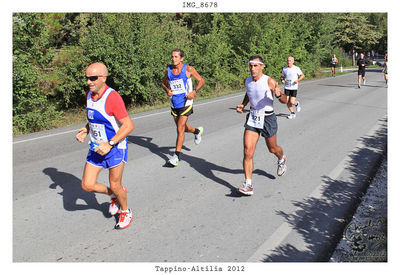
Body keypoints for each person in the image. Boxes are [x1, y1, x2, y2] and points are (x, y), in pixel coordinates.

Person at [75, 62, 135, 229]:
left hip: (115, 147)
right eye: (87, 78)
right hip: (96, 147)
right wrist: (86, 130)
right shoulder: (89, 94)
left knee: (115, 184)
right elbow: (96, 118)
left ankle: (125, 211)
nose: (89, 82)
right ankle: (115, 195)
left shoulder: (113, 97)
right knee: (87, 185)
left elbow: (129, 126)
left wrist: (109, 144)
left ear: (103, 78)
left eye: (93, 78)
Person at [236, 56, 288, 196]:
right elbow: (249, 93)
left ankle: (282, 158)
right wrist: (243, 104)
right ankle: (248, 184)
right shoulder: (247, 81)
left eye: (256, 66)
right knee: (247, 151)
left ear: (262, 66)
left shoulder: (269, 81)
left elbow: (285, 100)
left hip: (267, 118)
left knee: (272, 148)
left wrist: (278, 95)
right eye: (251, 66)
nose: (252, 68)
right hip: (253, 117)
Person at [161, 49, 205, 167]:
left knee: (180, 129)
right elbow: (163, 83)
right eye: (172, 57)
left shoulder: (188, 69)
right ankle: (197, 131)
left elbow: (201, 81)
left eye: (176, 57)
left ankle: (176, 156)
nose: (173, 59)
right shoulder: (168, 70)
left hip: (186, 102)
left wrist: (194, 92)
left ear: (181, 58)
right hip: (174, 103)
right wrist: (167, 90)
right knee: (182, 127)